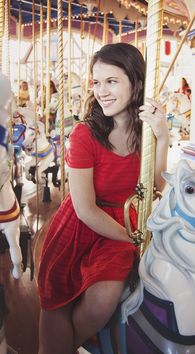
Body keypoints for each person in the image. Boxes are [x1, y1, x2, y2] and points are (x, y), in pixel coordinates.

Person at [37, 42, 169, 354]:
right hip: (85, 227)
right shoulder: (84, 134)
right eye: (97, 82)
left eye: (112, 81)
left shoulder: (144, 133)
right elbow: (85, 209)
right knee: (56, 315)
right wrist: (134, 239)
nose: (102, 91)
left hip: (122, 226)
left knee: (101, 302)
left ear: (135, 83)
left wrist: (162, 137)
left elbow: (156, 186)